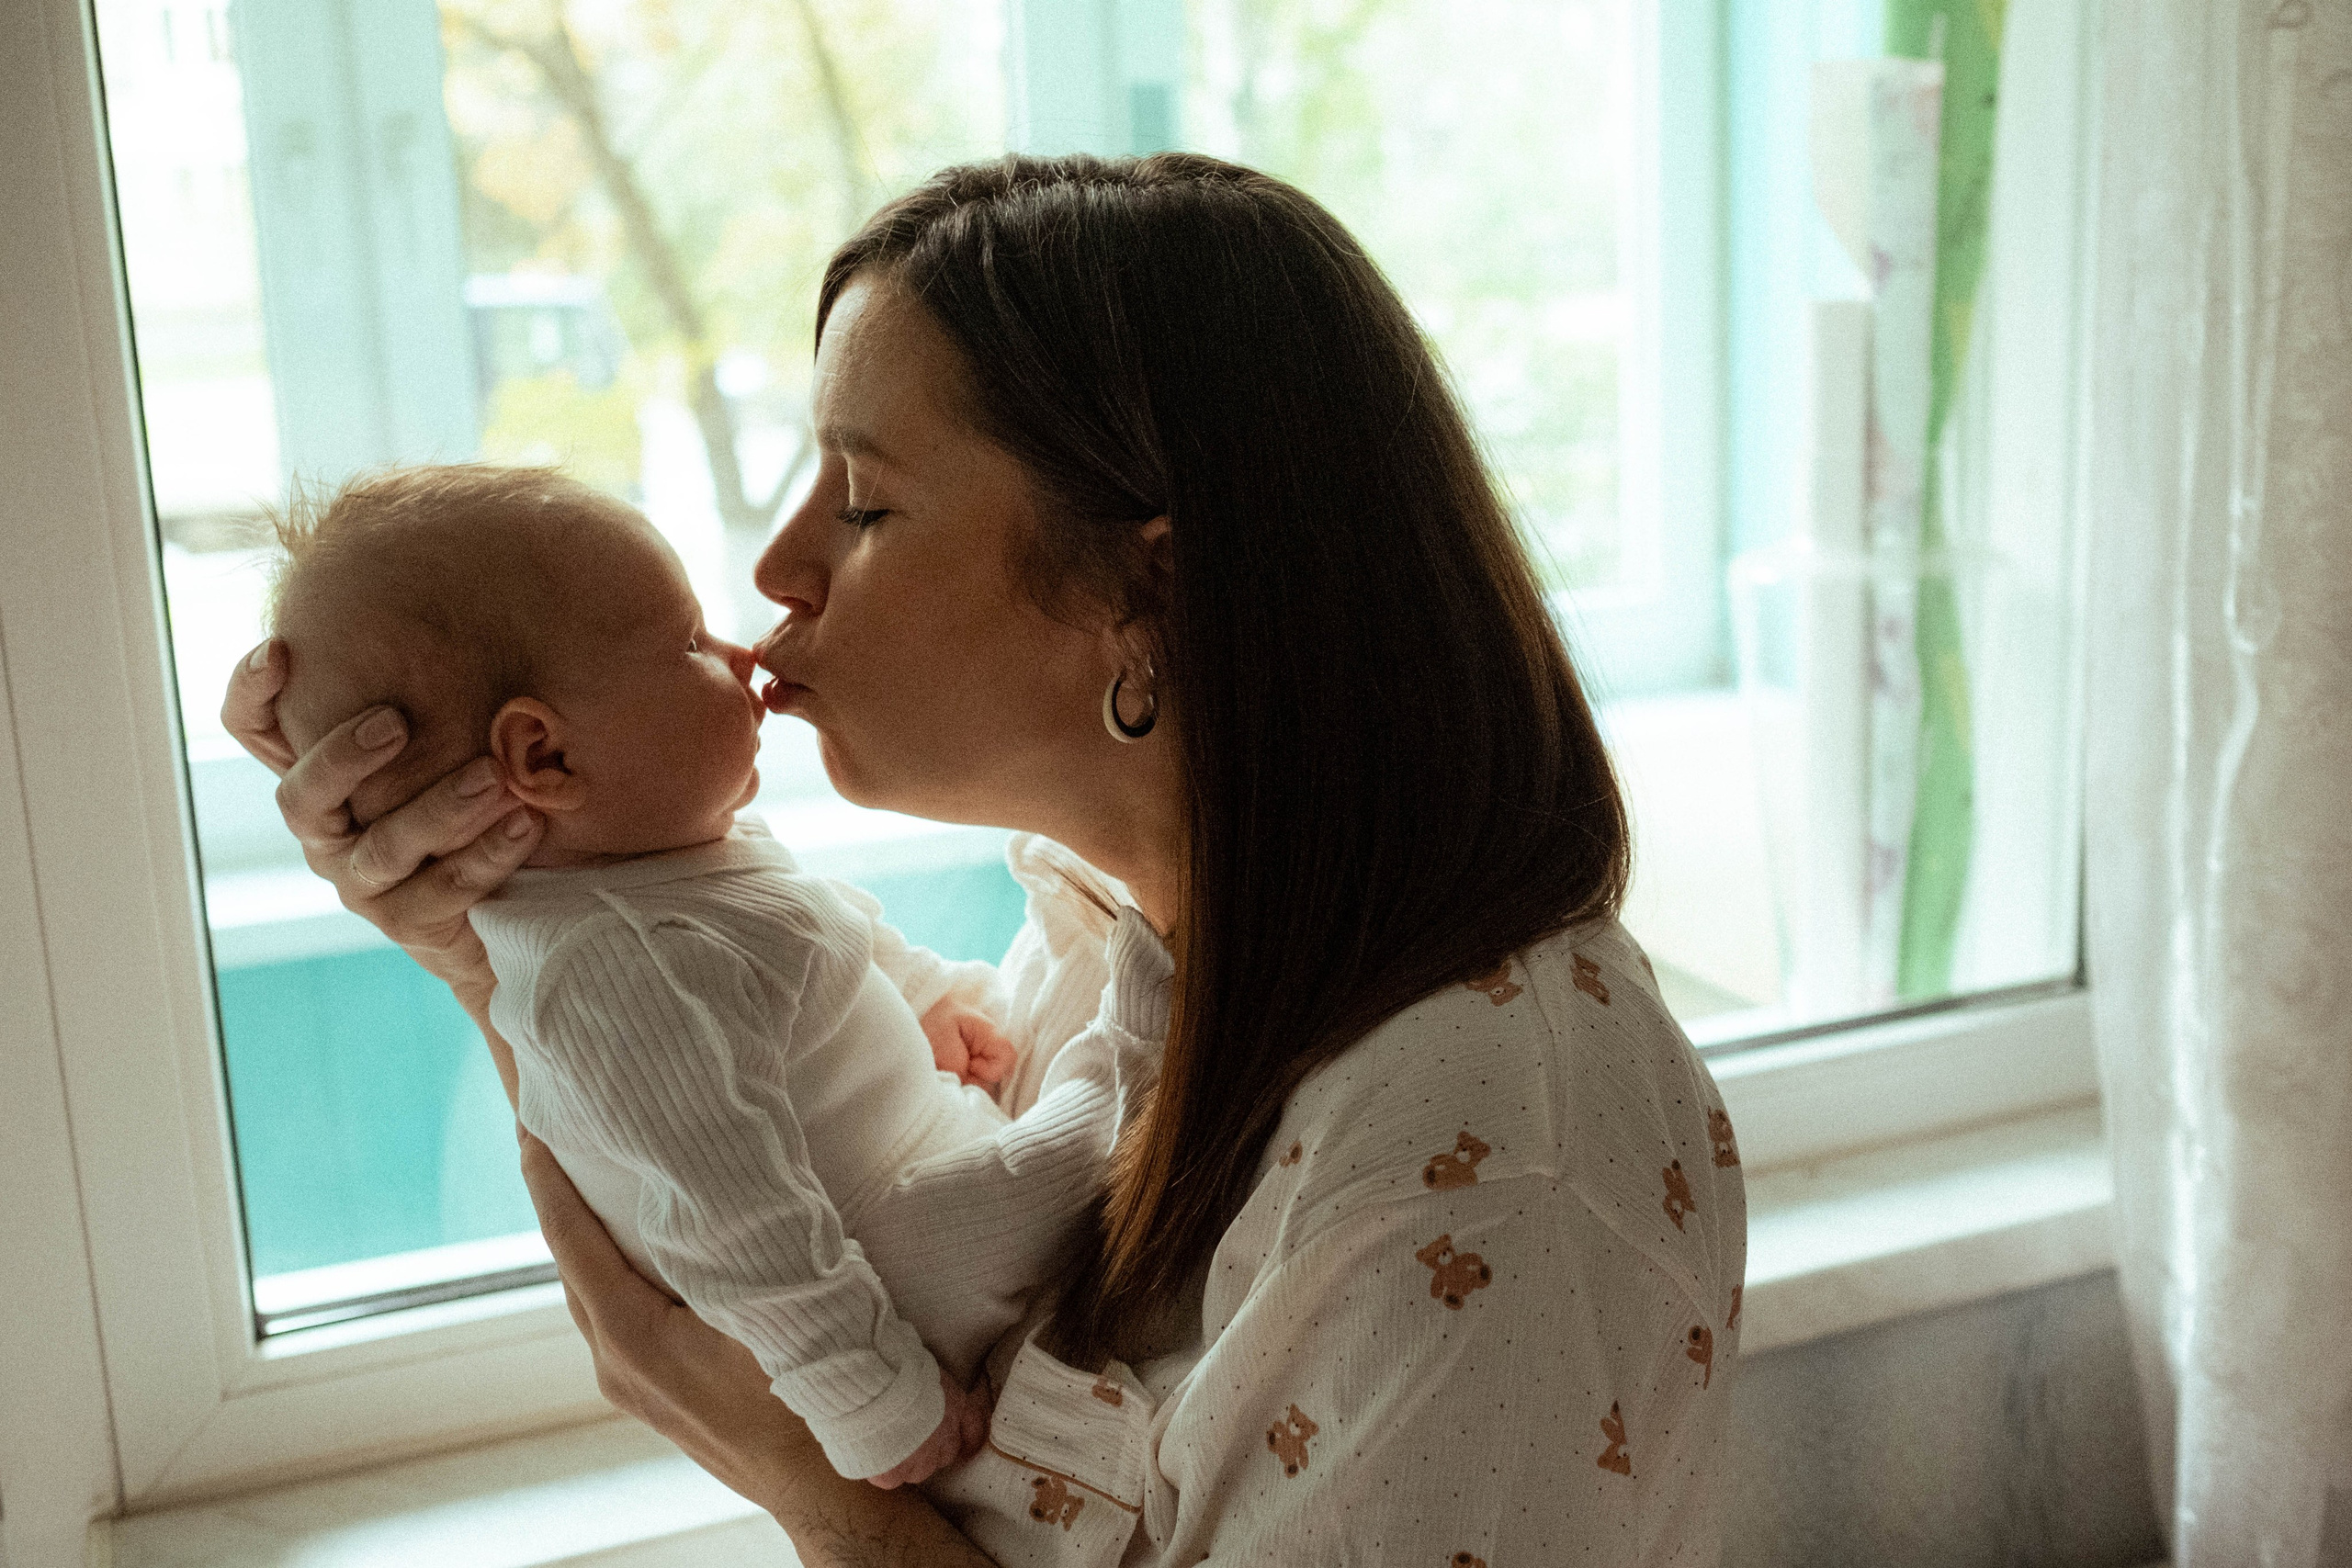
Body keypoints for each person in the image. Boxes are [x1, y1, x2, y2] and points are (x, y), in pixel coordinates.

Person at [225, 152, 1747, 1565]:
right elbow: (682, 1122)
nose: (771, 572)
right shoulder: (1106, 941)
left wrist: (802, 1474)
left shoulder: (1481, 1171)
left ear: (1148, 596)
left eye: (868, 499)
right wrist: (504, 906)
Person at [259, 464, 1168, 1488]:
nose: (740, 651)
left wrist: (922, 999)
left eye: (868, 503)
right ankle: (1145, 1033)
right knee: (1079, 1155)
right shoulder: (612, 974)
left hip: (908, 1162)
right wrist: (874, 1409)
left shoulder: (668, 874)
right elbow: (735, 1221)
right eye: (690, 642)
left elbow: (816, 931)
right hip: (898, 1258)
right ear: (544, 756)